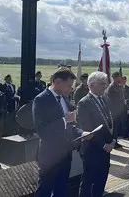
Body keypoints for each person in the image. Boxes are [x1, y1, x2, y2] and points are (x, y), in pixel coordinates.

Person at [32, 68, 92, 197]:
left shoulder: (64, 98)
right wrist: (64, 120)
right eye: (69, 85)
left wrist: (82, 133)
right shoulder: (41, 99)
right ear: (57, 82)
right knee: (45, 190)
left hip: (65, 155)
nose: (71, 89)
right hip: (50, 156)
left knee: (61, 189)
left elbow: (70, 126)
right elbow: (42, 130)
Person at [76, 71, 114, 197]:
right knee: (88, 182)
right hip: (92, 149)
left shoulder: (105, 99)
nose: (105, 86)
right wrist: (103, 145)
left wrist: (113, 140)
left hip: (106, 148)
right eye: (103, 83)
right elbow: (88, 129)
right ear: (92, 85)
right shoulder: (84, 103)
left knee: (101, 180)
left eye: (106, 83)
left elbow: (112, 120)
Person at [105, 72, 126, 149]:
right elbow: (111, 100)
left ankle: (115, 141)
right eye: (118, 77)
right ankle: (113, 142)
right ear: (114, 78)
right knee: (114, 128)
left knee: (117, 128)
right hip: (114, 111)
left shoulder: (119, 86)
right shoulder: (112, 87)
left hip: (119, 110)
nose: (119, 78)